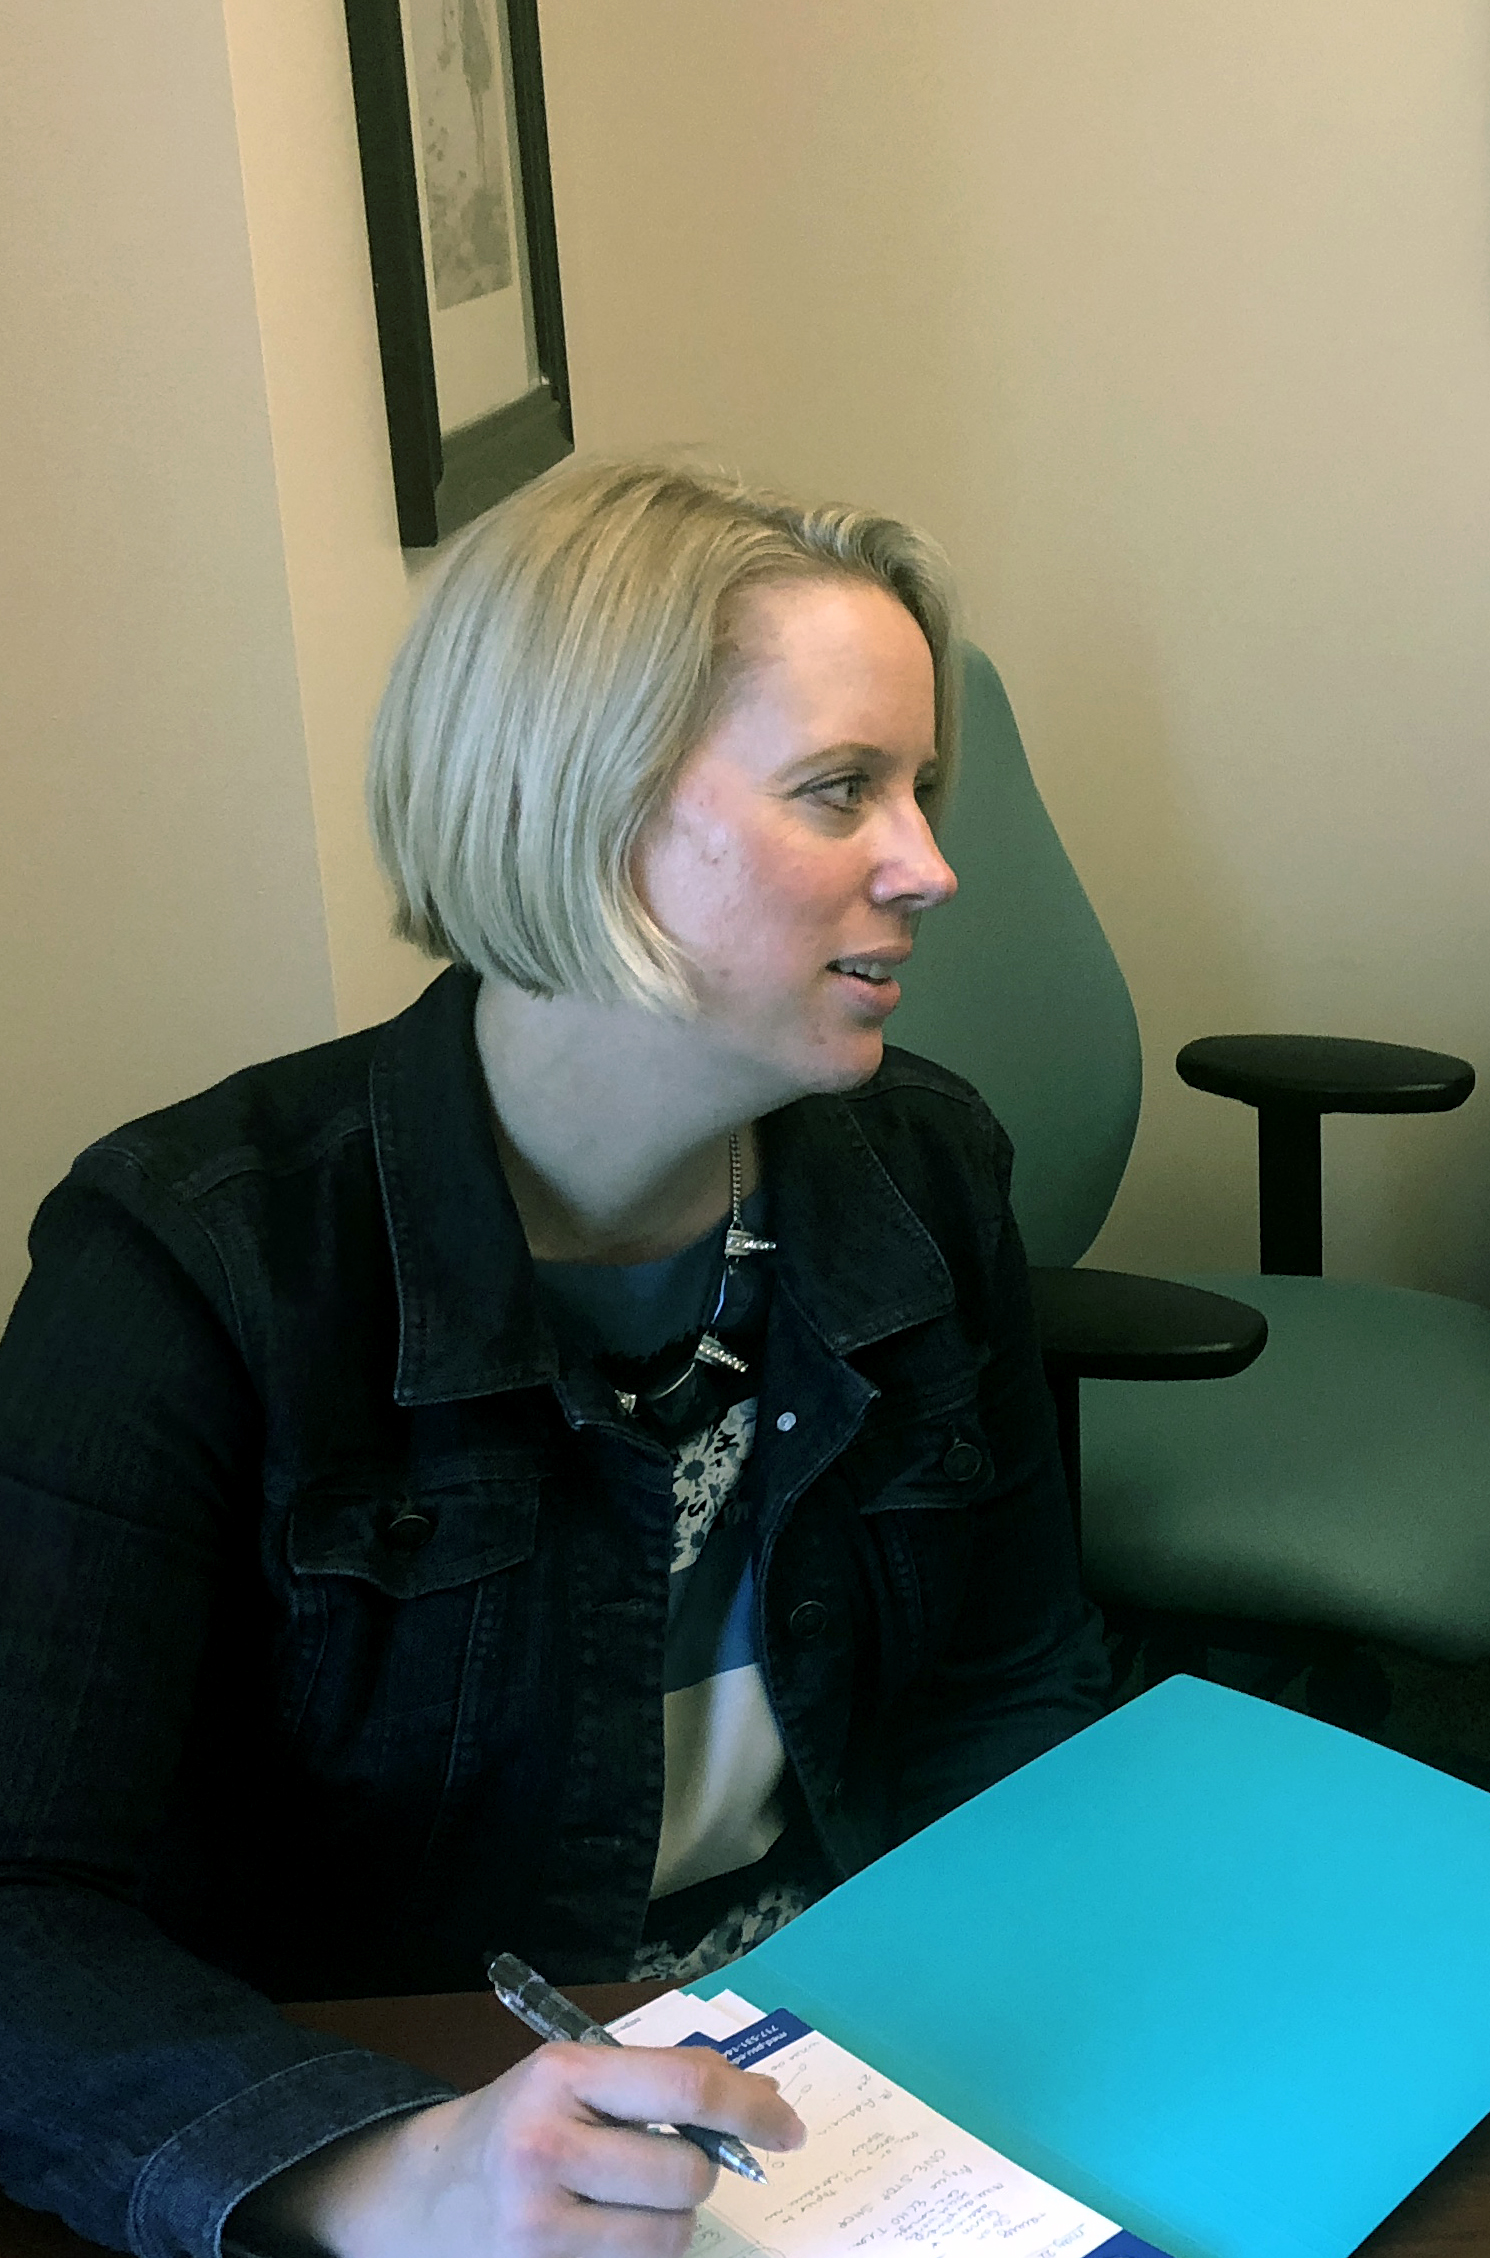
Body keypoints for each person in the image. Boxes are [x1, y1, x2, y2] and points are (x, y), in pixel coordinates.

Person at [0, 459, 1111, 2255]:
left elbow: (1009, 1675)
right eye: (842, 790)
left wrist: (1056, 2002)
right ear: (579, 806)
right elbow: (18, 1905)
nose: (931, 864)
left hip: (857, 2082)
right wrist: (386, 2172)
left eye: (920, 788)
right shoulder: (191, 1262)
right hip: (444, 2111)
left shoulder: (925, 1170)